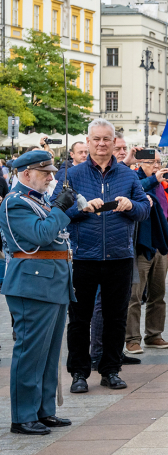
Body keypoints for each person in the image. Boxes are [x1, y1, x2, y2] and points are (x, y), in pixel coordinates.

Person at [62, 119, 149, 393]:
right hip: (83, 257)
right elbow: (58, 211)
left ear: (114, 143)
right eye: (96, 139)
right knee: (79, 319)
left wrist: (130, 205)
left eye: (106, 139)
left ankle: (111, 370)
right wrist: (82, 208)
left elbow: (145, 209)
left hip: (119, 256)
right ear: (88, 142)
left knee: (115, 317)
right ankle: (78, 372)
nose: (101, 144)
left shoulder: (128, 175)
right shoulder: (72, 175)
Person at [2, 151, 77, 434]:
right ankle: (23, 416)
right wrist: (60, 209)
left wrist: (66, 206)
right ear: (25, 174)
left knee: (49, 353)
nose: (51, 177)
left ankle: (44, 410)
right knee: (30, 353)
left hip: (52, 282)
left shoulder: (38, 200)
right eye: (45, 173)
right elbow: (42, 235)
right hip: (32, 284)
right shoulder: (15, 203)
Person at [124, 150, 168, 355]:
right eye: (152, 162)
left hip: (161, 246)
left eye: (159, 162)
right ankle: (132, 339)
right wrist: (152, 180)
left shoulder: (164, 186)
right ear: (140, 163)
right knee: (135, 296)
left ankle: (154, 335)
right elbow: (134, 192)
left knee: (159, 294)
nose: (157, 166)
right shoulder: (135, 179)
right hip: (141, 246)